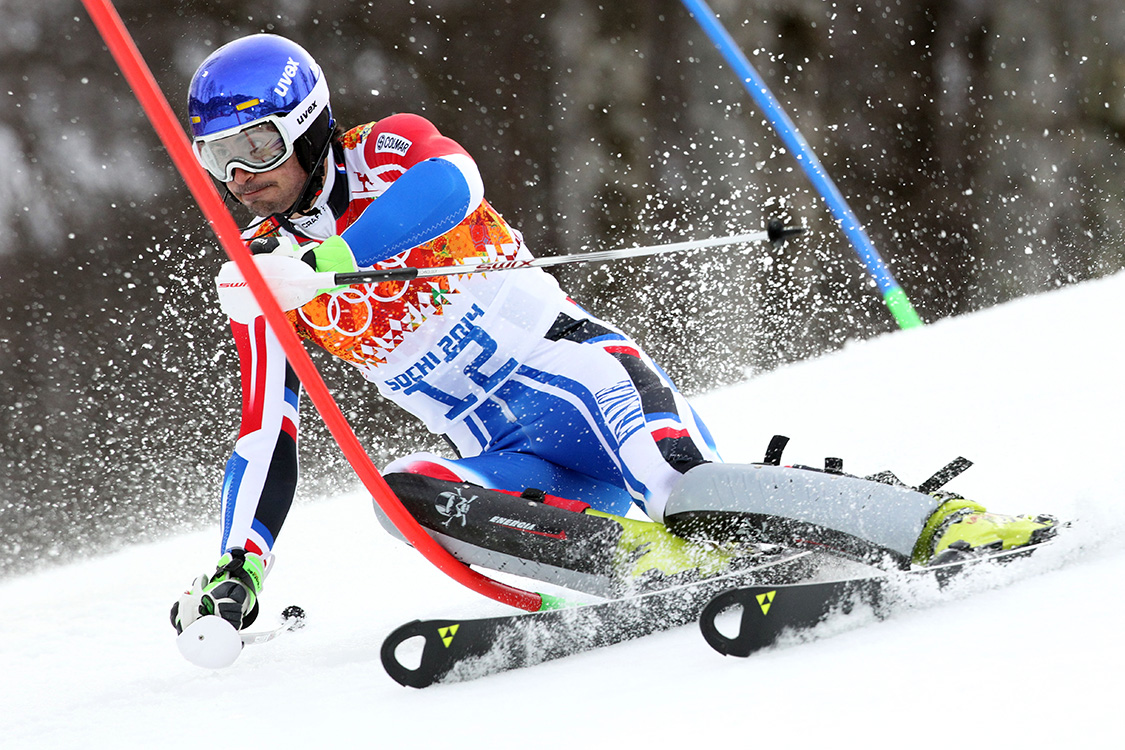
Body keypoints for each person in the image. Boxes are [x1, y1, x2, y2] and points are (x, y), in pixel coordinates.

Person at [171, 34, 1056, 636]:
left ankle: (935, 526)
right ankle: (652, 570)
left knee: (678, 486)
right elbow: (265, 430)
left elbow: (455, 185)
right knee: (400, 495)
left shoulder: (382, 154)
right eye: (218, 159)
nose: (242, 176)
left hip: (588, 384)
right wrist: (238, 566)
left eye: (254, 144)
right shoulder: (261, 277)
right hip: (514, 460)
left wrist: (330, 261)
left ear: (304, 121)